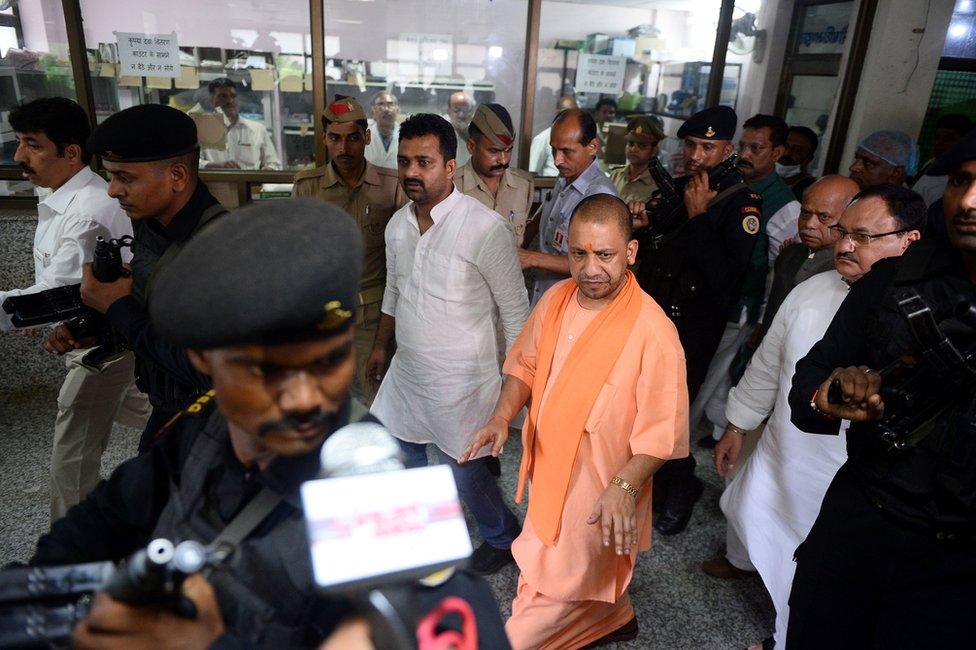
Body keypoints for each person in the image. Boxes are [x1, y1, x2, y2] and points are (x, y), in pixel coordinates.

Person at [31, 200, 510, 649]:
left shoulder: (365, 480)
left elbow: (454, 616)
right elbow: (99, 524)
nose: (305, 398)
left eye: (328, 361)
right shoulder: (202, 430)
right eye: (266, 371)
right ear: (202, 359)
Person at [459, 194, 689, 649]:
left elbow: (662, 434)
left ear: (630, 253)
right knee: (546, 566)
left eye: (604, 255)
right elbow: (524, 365)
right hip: (549, 474)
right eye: (578, 253)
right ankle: (614, 617)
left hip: (599, 488)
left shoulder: (653, 331)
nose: (589, 269)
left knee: (539, 609)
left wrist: (623, 489)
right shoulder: (557, 300)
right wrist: (501, 415)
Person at [708, 184, 922, 649]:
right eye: (842, 232)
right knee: (758, 519)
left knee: (819, 580)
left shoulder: (920, 315)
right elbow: (768, 364)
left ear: (910, 241)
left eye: (862, 237)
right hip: (782, 451)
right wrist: (737, 425)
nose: (843, 245)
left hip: (841, 478)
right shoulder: (812, 288)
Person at [785, 133, 976, 650]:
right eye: (962, 181)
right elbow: (810, 378)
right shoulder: (893, 282)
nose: (970, 201)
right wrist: (828, 396)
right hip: (864, 517)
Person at [365, 114, 529, 575]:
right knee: (404, 451)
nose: (412, 172)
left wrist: (515, 389)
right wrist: (382, 347)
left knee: (466, 470)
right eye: (404, 161)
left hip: (464, 382)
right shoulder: (398, 225)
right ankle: (430, 528)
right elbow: (394, 291)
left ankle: (502, 537)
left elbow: (516, 311)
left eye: (424, 161)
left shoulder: (483, 227)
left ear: (451, 166)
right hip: (410, 372)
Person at [0, 97, 148, 519]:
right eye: (19, 143)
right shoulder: (61, 194)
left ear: (71, 153)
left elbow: (59, 295)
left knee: (73, 448)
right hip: (104, 337)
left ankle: (68, 543)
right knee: (149, 403)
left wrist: (31, 313)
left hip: (103, 343)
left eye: (32, 145)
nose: (19, 156)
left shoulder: (88, 209)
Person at [48, 104, 226, 453]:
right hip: (169, 410)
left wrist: (118, 308)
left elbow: (211, 368)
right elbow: (151, 310)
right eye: (111, 176)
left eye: (125, 178)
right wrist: (94, 328)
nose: (112, 191)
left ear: (177, 176)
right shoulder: (150, 223)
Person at [629, 105, 762, 535]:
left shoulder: (741, 203)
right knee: (644, 408)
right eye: (690, 145)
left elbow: (726, 281)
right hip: (656, 316)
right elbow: (663, 250)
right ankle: (654, 484)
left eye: (707, 146)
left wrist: (701, 218)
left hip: (694, 328)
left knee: (671, 415)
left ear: (727, 149)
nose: (696, 155)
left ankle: (680, 485)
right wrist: (645, 226)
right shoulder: (683, 187)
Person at [693, 114, 799, 448]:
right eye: (743, 146)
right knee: (717, 378)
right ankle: (716, 429)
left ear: (777, 153)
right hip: (712, 300)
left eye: (757, 148)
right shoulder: (731, 185)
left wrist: (761, 322)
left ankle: (681, 444)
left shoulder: (785, 206)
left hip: (738, 307)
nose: (746, 154)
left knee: (703, 379)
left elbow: (779, 274)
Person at [292, 97, 407, 404]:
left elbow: (402, 268)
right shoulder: (308, 187)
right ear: (325, 139)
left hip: (373, 321)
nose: (344, 149)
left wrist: (385, 339)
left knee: (376, 407)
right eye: (335, 139)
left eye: (353, 138)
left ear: (366, 137)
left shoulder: (391, 186)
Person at [521, 108, 618, 305]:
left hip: (572, 306)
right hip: (545, 296)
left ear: (592, 146)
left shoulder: (599, 196)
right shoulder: (566, 176)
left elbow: (594, 264)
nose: (557, 160)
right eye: (554, 149)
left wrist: (531, 258)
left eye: (566, 151)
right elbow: (549, 215)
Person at [756, 175, 860, 341]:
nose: (810, 224)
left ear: (848, 218)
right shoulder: (790, 254)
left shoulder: (850, 270)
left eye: (823, 217)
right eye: (805, 213)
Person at [456, 103, 534, 246]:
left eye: (508, 150)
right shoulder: (452, 187)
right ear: (471, 146)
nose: (503, 160)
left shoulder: (524, 186)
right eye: (494, 151)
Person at [199, 78, 280, 170]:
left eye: (233, 96)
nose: (230, 101)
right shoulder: (202, 129)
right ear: (211, 99)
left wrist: (268, 169)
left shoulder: (257, 129)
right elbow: (193, 163)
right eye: (223, 96)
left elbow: (274, 163)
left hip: (250, 183)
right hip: (215, 183)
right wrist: (216, 165)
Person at [911, 113, 973, 206]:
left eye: (948, 139)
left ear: (963, 143)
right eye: (937, 137)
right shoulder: (931, 163)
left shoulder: (961, 178)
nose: (940, 143)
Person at [608, 115, 664, 204]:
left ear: (653, 150)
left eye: (642, 146)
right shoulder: (615, 175)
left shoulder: (658, 185)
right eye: (630, 144)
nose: (633, 149)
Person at [848, 129, 918, 189]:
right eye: (856, 158)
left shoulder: (899, 204)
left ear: (895, 173)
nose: (853, 167)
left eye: (869, 163)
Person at [529, 95, 578, 176]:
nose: (572, 117)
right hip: (550, 186)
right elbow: (532, 171)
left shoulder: (578, 137)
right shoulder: (543, 138)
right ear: (558, 112)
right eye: (567, 112)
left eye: (575, 113)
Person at [779, 126, 819, 201]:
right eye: (785, 146)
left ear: (808, 159)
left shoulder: (811, 193)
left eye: (798, 150)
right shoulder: (757, 179)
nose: (787, 153)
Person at [365, 90, 401, 170]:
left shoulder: (407, 135)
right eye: (380, 105)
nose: (386, 109)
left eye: (390, 104)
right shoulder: (363, 134)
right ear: (373, 111)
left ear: (398, 110)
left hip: (396, 181)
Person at [445, 91, 475, 167]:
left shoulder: (479, 136)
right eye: (457, 110)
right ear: (449, 112)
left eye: (465, 110)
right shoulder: (441, 135)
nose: (461, 115)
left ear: (472, 112)